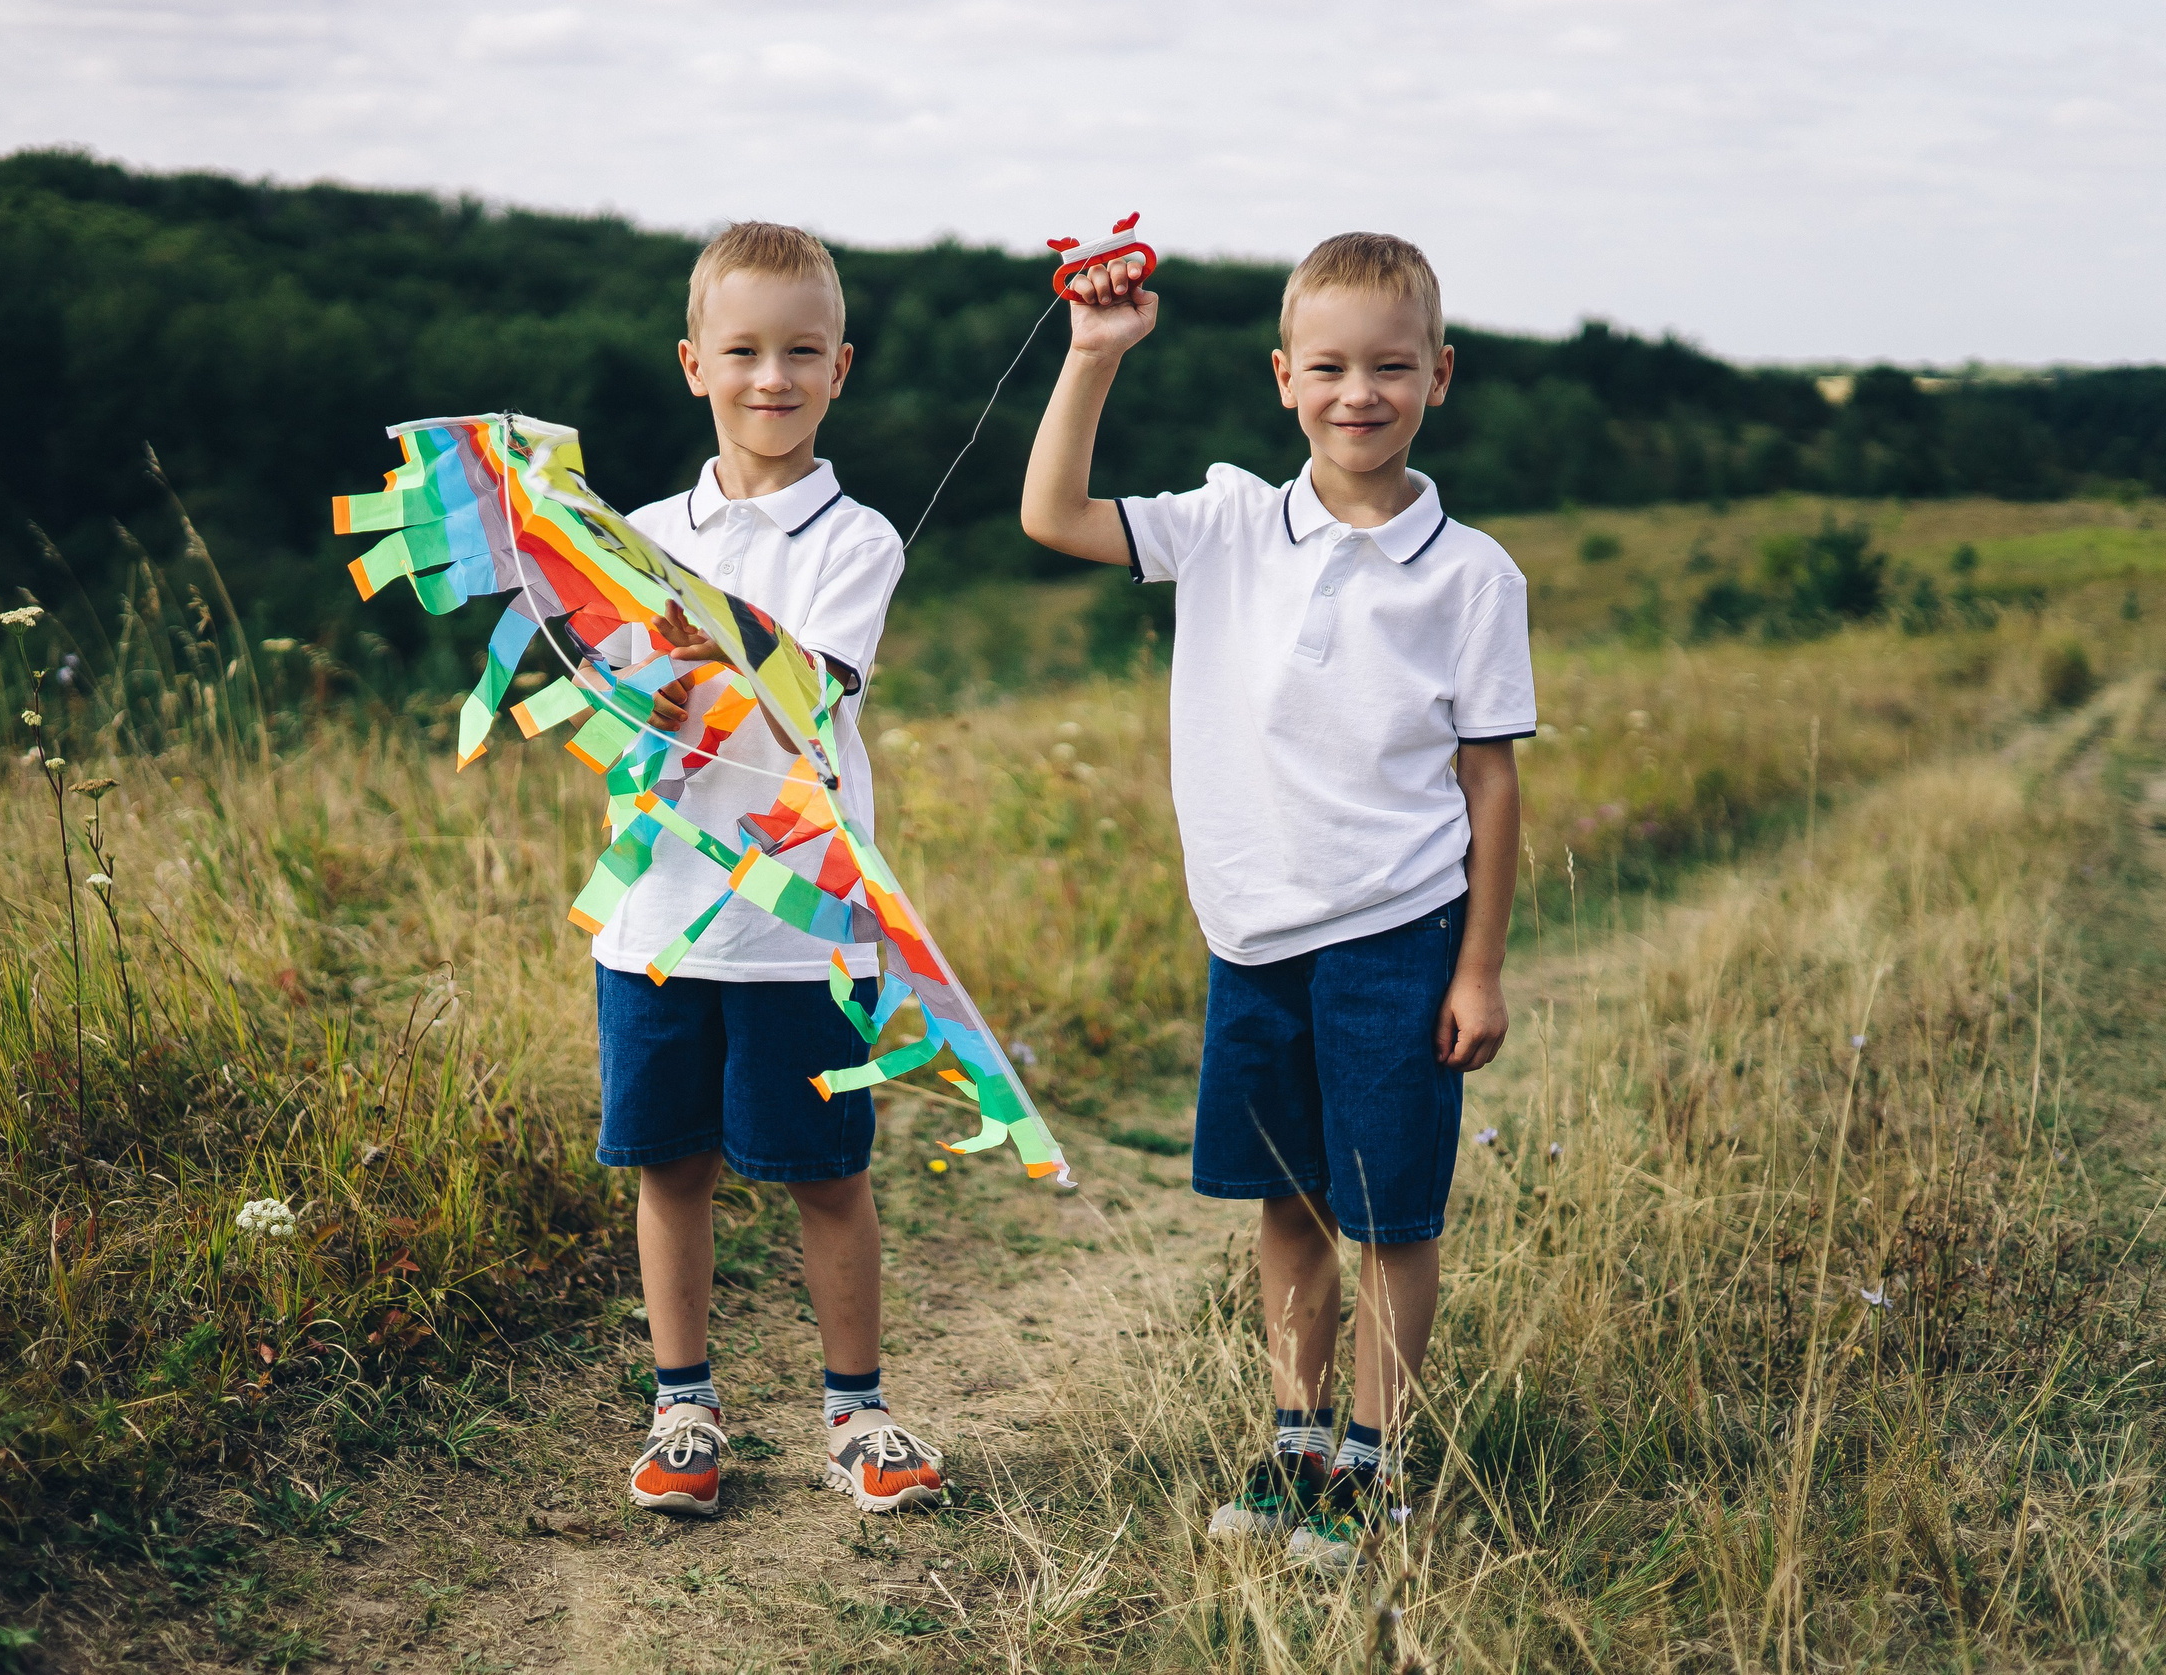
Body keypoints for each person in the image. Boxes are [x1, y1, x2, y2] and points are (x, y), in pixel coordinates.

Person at [1019, 231, 1532, 1570]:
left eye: (1390, 368)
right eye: (1329, 368)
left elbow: (1491, 786)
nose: (1358, 394)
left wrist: (1477, 971)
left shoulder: (1472, 575)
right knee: (1288, 1203)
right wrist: (1091, 357)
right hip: (1254, 935)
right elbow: (1053, 516)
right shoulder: (1233, 522)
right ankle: (1296, 1440)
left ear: (1439, 375)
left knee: (1392, 1212)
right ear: (1283, 378)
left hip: (1399, 933)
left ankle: (1373, 1465)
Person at [597, 221, 943, 1520]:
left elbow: (797, 690)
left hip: (805, 929)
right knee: (668, 1164)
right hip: (660, 921)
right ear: (694, 364)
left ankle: (857, 1411)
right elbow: (619, 701)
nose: (771, 378)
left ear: (841, 368)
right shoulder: (632, 532)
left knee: (825, 1171)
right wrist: (601, 623)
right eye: (742, 351)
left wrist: (677, 637)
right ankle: (682, 1407)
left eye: (801, 352)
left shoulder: (857, 541)